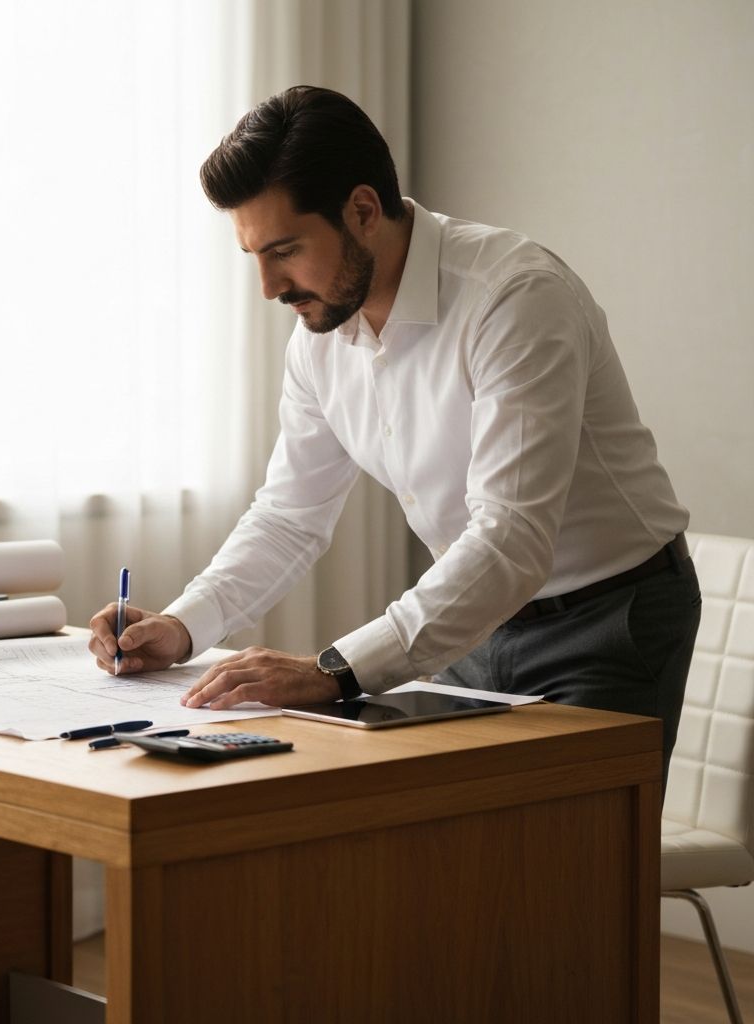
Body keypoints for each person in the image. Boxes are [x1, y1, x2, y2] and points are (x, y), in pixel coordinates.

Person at [88, 85, 701, 791]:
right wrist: (182, 626)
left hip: (610, 620)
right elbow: (289, 517)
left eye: (285, 249)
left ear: (362, 210)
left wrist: (334, 671)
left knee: (569, 879)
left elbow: (510, 535)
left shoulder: (516, 297)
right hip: (474, 620)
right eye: (254, 254)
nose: (267, 287)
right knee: (446, 861)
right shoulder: (320, 338)